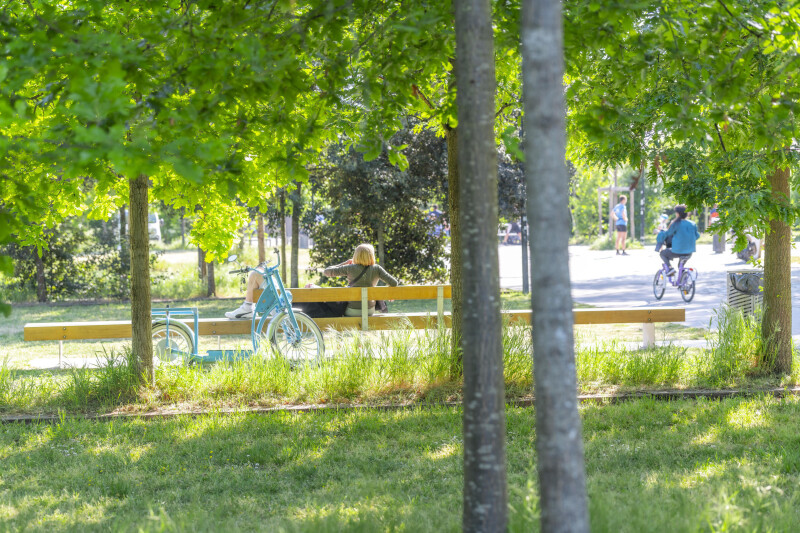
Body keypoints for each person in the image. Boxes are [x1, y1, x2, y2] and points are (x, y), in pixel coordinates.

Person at [319, 243, 398, 317]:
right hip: (370, 310)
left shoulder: (350, 268)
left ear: (356, 255)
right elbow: (394, 282)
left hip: (352, 310)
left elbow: (326, 272)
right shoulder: (377, 268)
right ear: (371, 256)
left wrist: (345, 263)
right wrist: (390, 293)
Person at [656, 204, 700, 276]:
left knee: (662, 253)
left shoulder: (676, 224)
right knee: (680, 267)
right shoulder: (693, 224)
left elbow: (668, 234)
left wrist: (660, 233)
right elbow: (697, 236)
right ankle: (683, 279)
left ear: (677, 213)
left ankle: (670, 268)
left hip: (677, 251)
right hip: (689, 252)